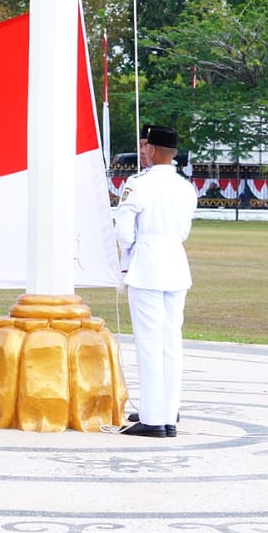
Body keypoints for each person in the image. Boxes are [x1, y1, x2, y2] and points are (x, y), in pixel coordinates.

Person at [113, 126, 195, 437]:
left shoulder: (139, 185)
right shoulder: (186, 187)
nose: (144, 152)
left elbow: (124, 231)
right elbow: (184, 231)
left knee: (149, 343)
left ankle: (152, 418)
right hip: (176, 264)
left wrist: (128, 260)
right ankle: (167, 413)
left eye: (147, 148)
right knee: (171, 343)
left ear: (156, 151)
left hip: (147, 264)